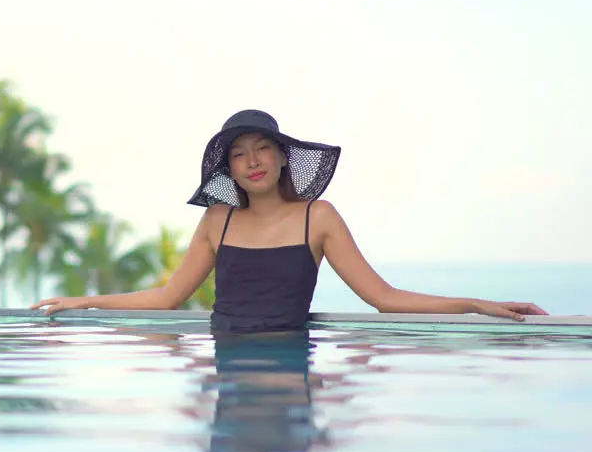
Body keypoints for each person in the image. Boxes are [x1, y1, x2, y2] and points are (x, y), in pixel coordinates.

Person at [32, 109, 547, 332]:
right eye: (239, 153)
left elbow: (383, 298)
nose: (252, 160)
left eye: (263, 149)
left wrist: (476, 304)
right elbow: (168, 298)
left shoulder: (317, 218)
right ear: (229, 168)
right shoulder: (217, 221)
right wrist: (83, 301)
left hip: (290, 360)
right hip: (226, 360)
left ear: (282, 158)